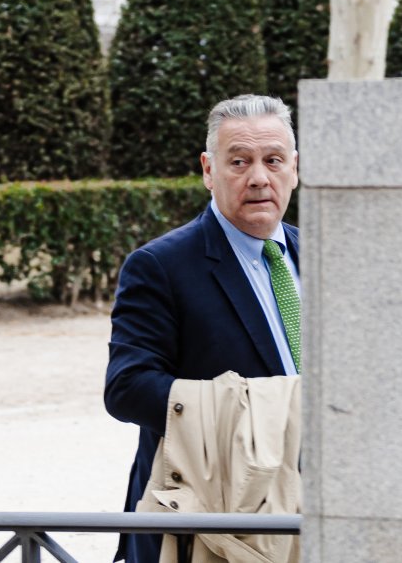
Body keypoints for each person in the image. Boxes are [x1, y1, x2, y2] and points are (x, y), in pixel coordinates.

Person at [104, 94, 302, 562]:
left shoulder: (325, 253)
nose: (259, 177)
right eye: (239, 161)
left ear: (294, 167)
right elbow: (127, 388)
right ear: (208, 170)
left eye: (273, 160)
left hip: (311, 514)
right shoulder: (159, 266)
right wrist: (256, 416)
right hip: (211, 523)